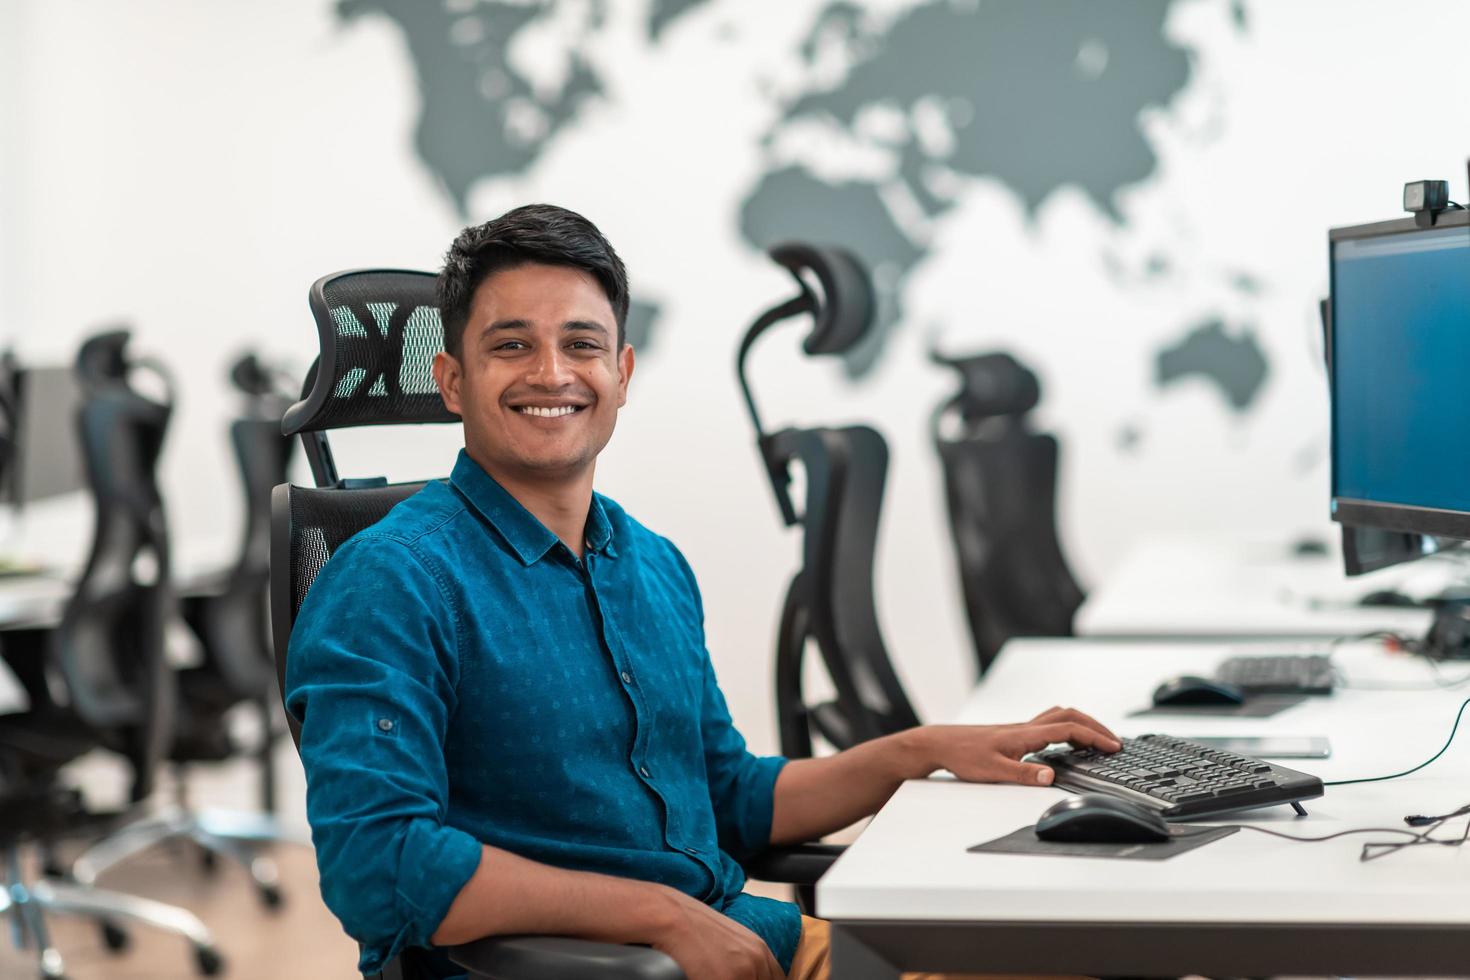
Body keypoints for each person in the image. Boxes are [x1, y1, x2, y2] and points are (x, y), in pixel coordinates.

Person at [285, 203, 1119, 980]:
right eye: (510, 345)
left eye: (581, 345)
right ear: (453, 380)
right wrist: (655, 915)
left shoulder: (650, 563)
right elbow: (378, 866)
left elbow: (727, 796)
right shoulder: (391, 580)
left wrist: (923, 749)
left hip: (750, 945)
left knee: (1094, 952)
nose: (551, 373)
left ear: (621, 371)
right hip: (618, 967)